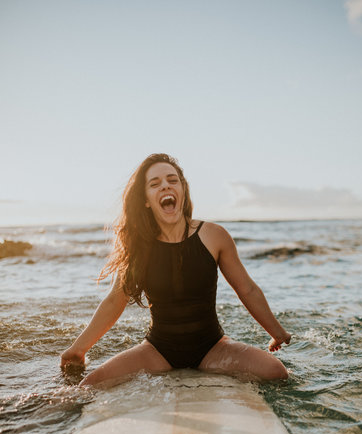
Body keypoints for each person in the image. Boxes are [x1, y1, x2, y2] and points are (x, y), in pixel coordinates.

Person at [60, 153, 291, 387]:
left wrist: (276, 332)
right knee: (89, 385)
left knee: (276, 371)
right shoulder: (139, 247)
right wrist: (78, 349)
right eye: (155, 184)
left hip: (213, 348)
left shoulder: (214, 236)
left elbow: (247, 289)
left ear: (182, 190)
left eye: (172, 180)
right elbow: (114, 301)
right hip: (158, 351)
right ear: (146, 200)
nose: (165, 186)